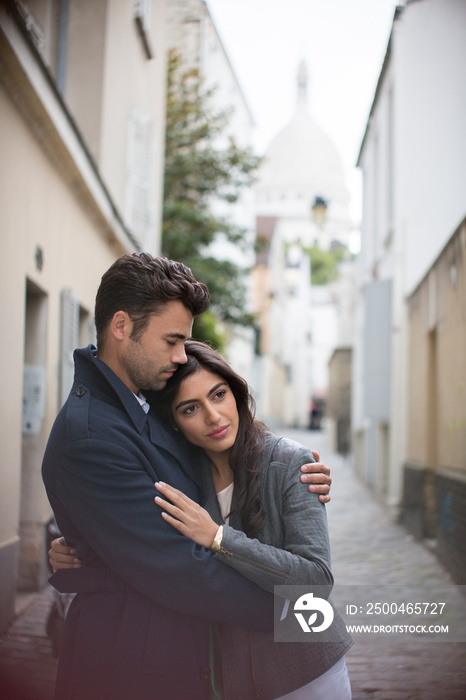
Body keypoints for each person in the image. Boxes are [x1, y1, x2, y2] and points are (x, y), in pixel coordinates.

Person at [43, 253, 333, 700]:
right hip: (132, 669)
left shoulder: (147, 400)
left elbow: (219, 462)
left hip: (189, 658)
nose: (180, 356)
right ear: (121, 327)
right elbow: (181, 571)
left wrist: (291, 472)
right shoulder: (91, 435)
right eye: (172, 340)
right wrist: (299, 611)